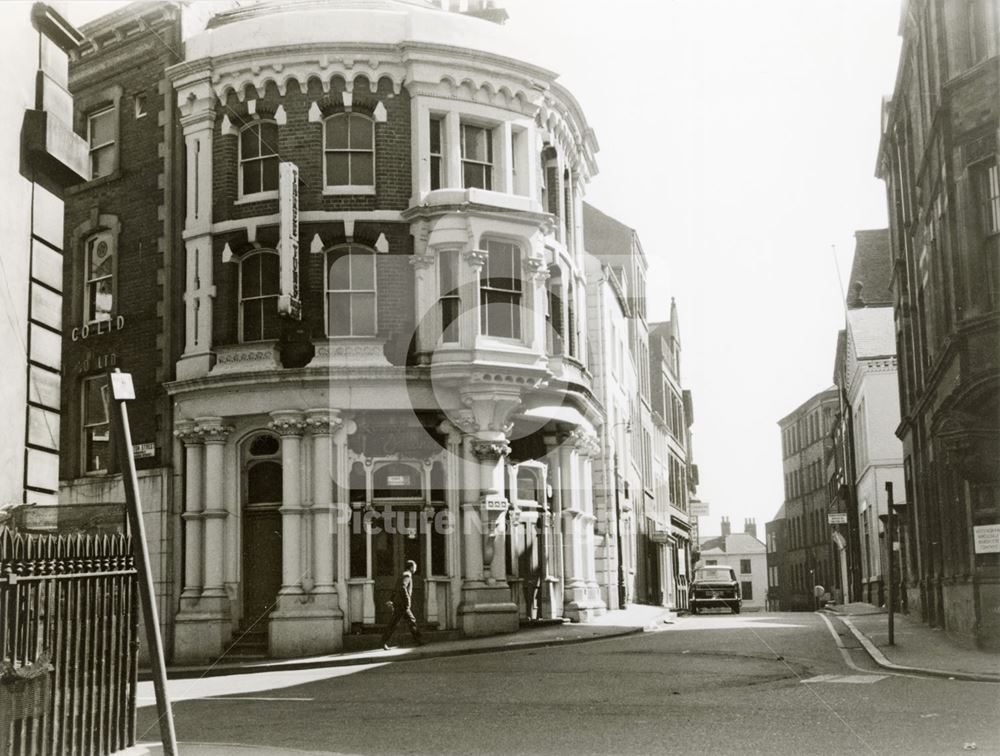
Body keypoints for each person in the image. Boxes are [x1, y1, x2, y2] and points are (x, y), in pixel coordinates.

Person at [381, 559, 424, 650]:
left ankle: (419, 640)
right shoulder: (407, 575)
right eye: (415, 567)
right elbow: (402, 587)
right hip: (403, 605)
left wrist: (391, 599)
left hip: (399, 603)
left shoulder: (402, 575)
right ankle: (419, 640)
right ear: (411, 567)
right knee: (410, 621)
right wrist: (407, 601)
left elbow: (396, 588)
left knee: (398, 622)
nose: (415, 568)